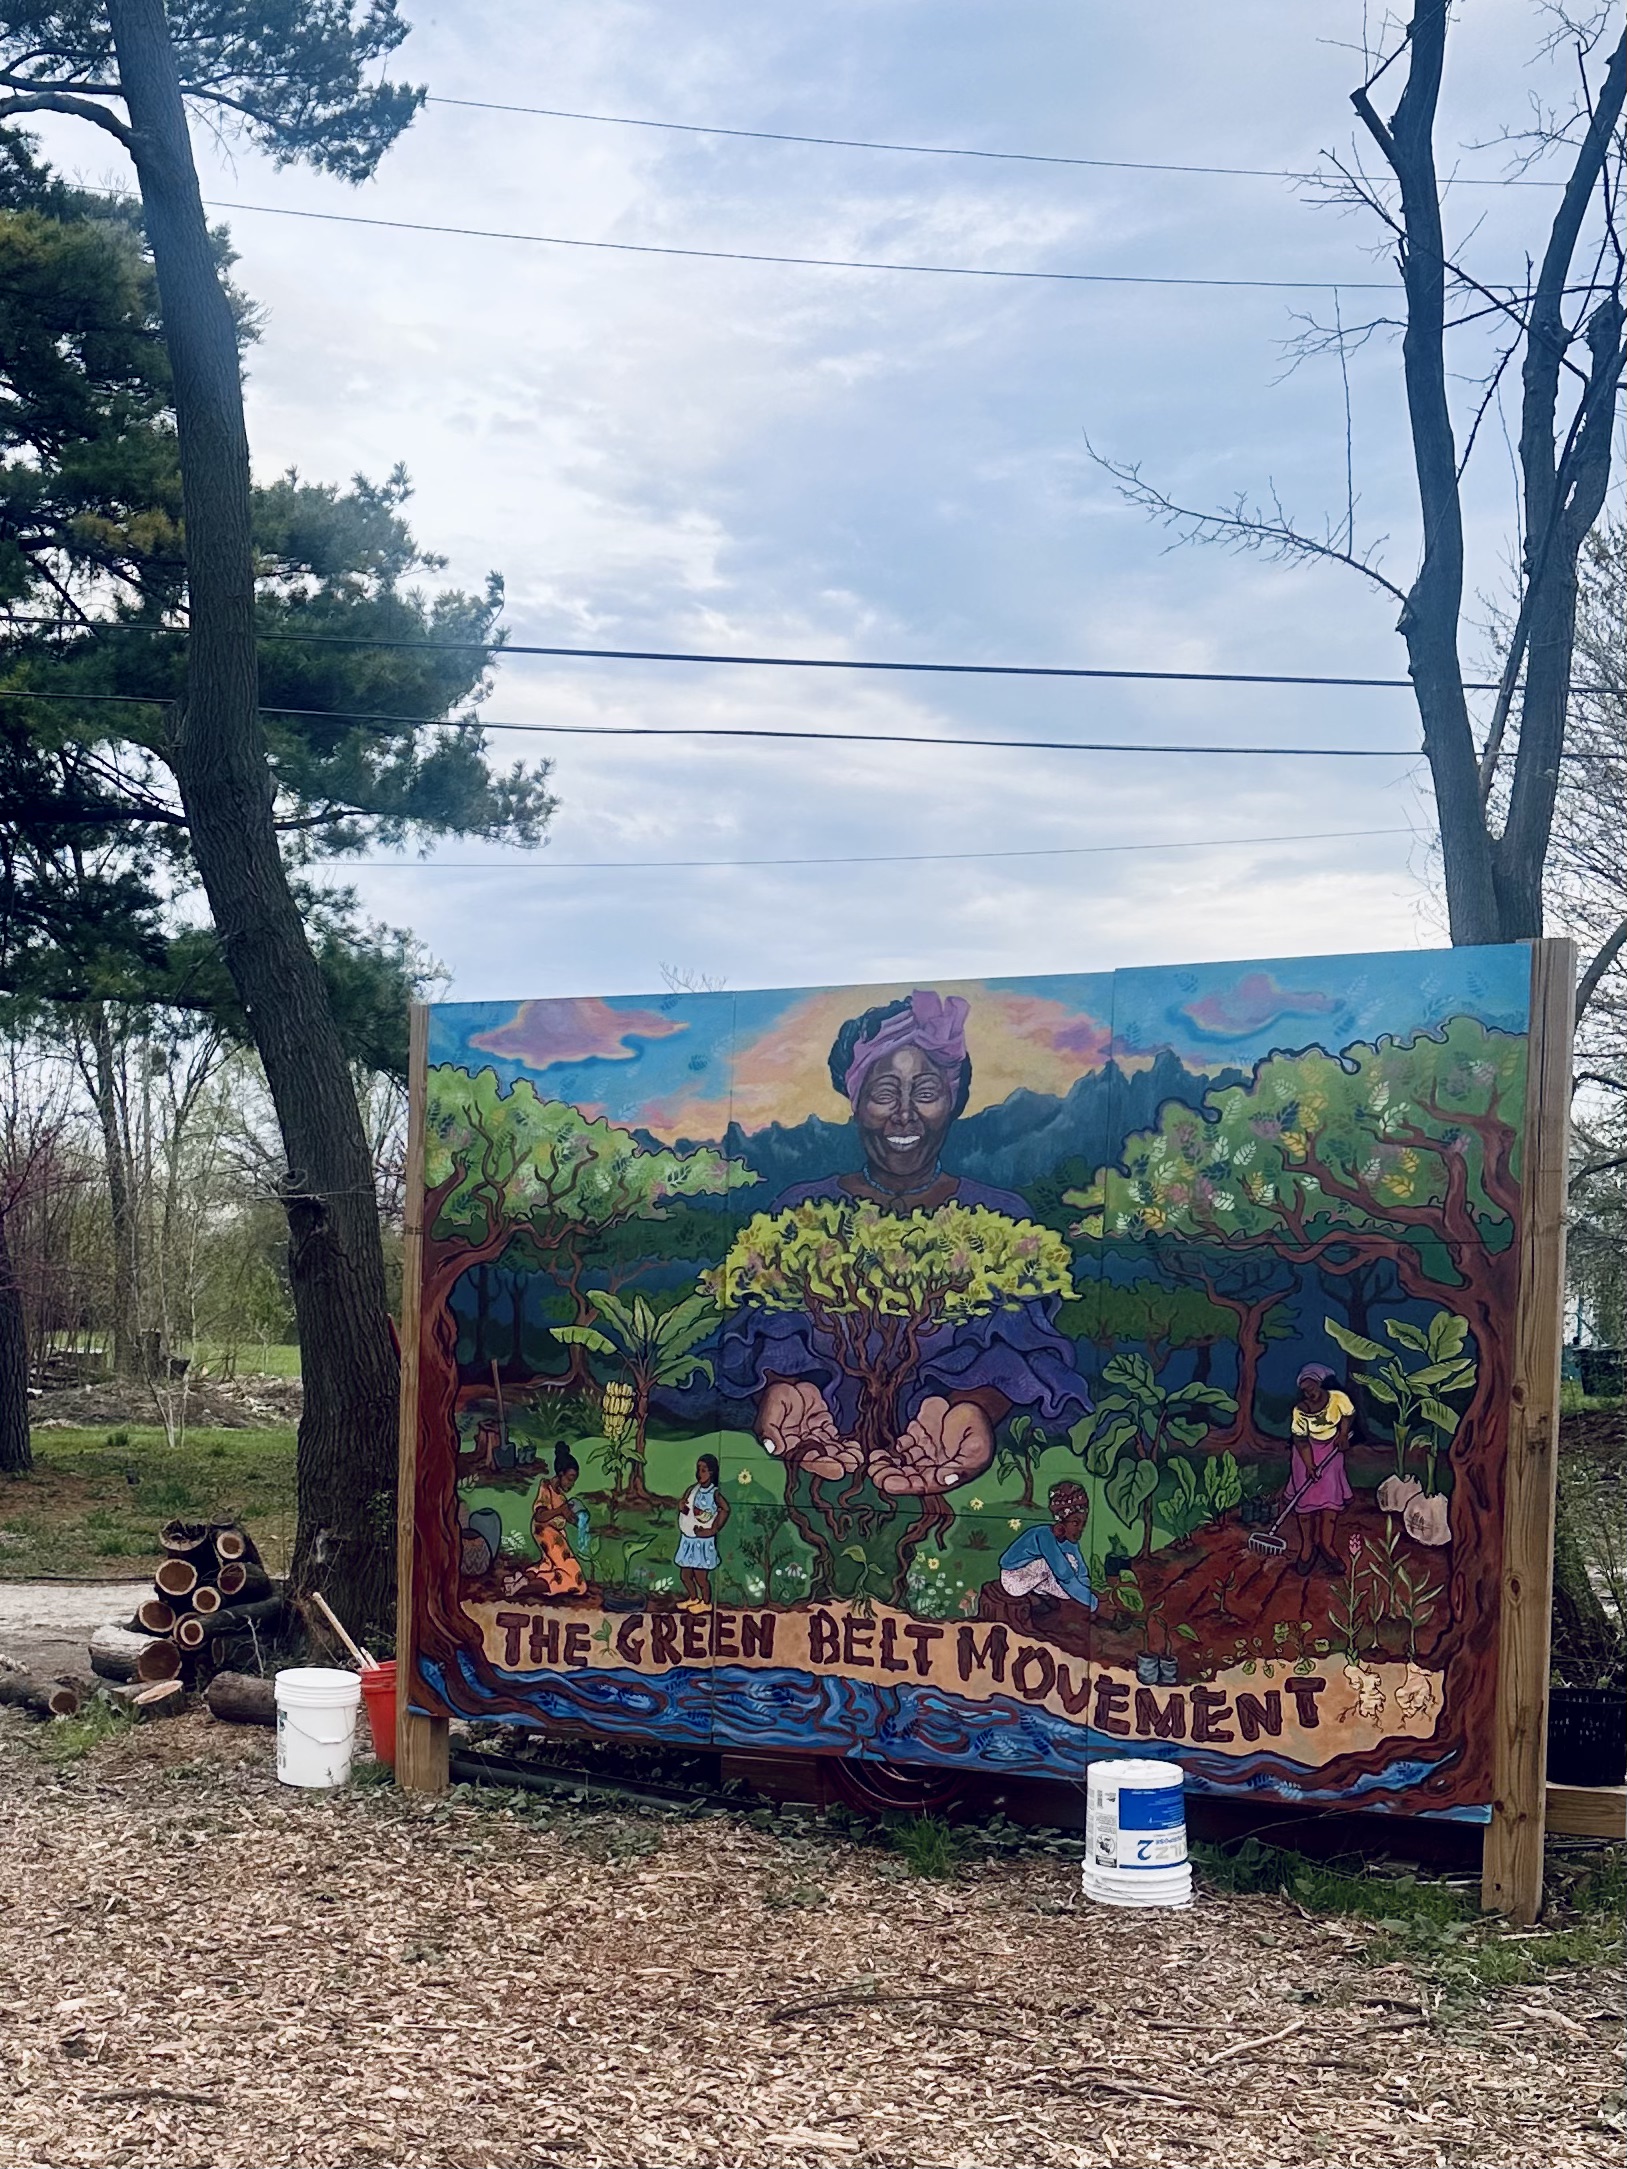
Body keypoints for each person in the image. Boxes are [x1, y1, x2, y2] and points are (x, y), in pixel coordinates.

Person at [739, 990, 1091, 1494]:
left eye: (925, 1091)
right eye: (884, 1093)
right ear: (855, 1101)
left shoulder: (1003, 1222)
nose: (904, 1114)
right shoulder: (799, 1216)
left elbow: (1017, 1349)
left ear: (953, 1101)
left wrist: (975, 1409)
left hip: (929, 1466)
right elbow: (773, 1332)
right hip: (818, 1470)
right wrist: (783, 1388)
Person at [1287, 1363, 1355, 1573]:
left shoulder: (1338, 1399)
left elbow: (1348, 1415)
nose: (1309, 1394)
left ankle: (1326, 1545)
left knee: (1329, 1505)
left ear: (1320, 1384)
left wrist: (1343, 1434)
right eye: (1305, 1391)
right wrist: (1310, 1466)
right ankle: (1307, 1547)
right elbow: (1300, 1441)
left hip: (1331, 1452)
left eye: (1312, 1388)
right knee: (1306, 1506)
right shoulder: (1300, 1411)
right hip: (1306, 1456)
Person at [998, 1482, 1099, 1618]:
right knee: (1062, 1566)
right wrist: (1094, 1604)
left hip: (1035, 1575)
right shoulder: (1045, 1535)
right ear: (1061, 1522)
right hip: (1013, 1577)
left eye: (1083, 1524)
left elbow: (1081, 1572)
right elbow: (1064, 1575)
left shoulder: (1070, 1542)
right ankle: (1032, 1596)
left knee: (1070, 1570)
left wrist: (1088, 1592)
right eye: (1075, 1523)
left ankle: (1038, 1593)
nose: (1080, 1529)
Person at [526, 1448, 589, 1598]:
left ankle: (522, 1580)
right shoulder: (546, 1487)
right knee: (577, 1581)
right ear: (560, 1474)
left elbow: (566, 1516)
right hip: (546, 1532)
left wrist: (578, 1520)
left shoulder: (561, 1497)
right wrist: (560, 1511)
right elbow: (540, 1516)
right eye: (570, 1478)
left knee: (548, 1565)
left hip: (554, 1534)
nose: (571, 1484)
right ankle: (524, 1588)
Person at [675, 1452, 729, 1611]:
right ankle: (693, 1598)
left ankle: (705, 1603)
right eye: (698, 1469)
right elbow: (687, 1509)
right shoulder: (693, 1490)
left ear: (711, 1472)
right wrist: (682, 1507)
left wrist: (713, 1529)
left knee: (701, 1577)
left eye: (704, 1470)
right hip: (688, 1538)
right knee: (685, 1575)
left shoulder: (714, 1493)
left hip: (702, 1541)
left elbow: (725, 1509)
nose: (699, 1473)